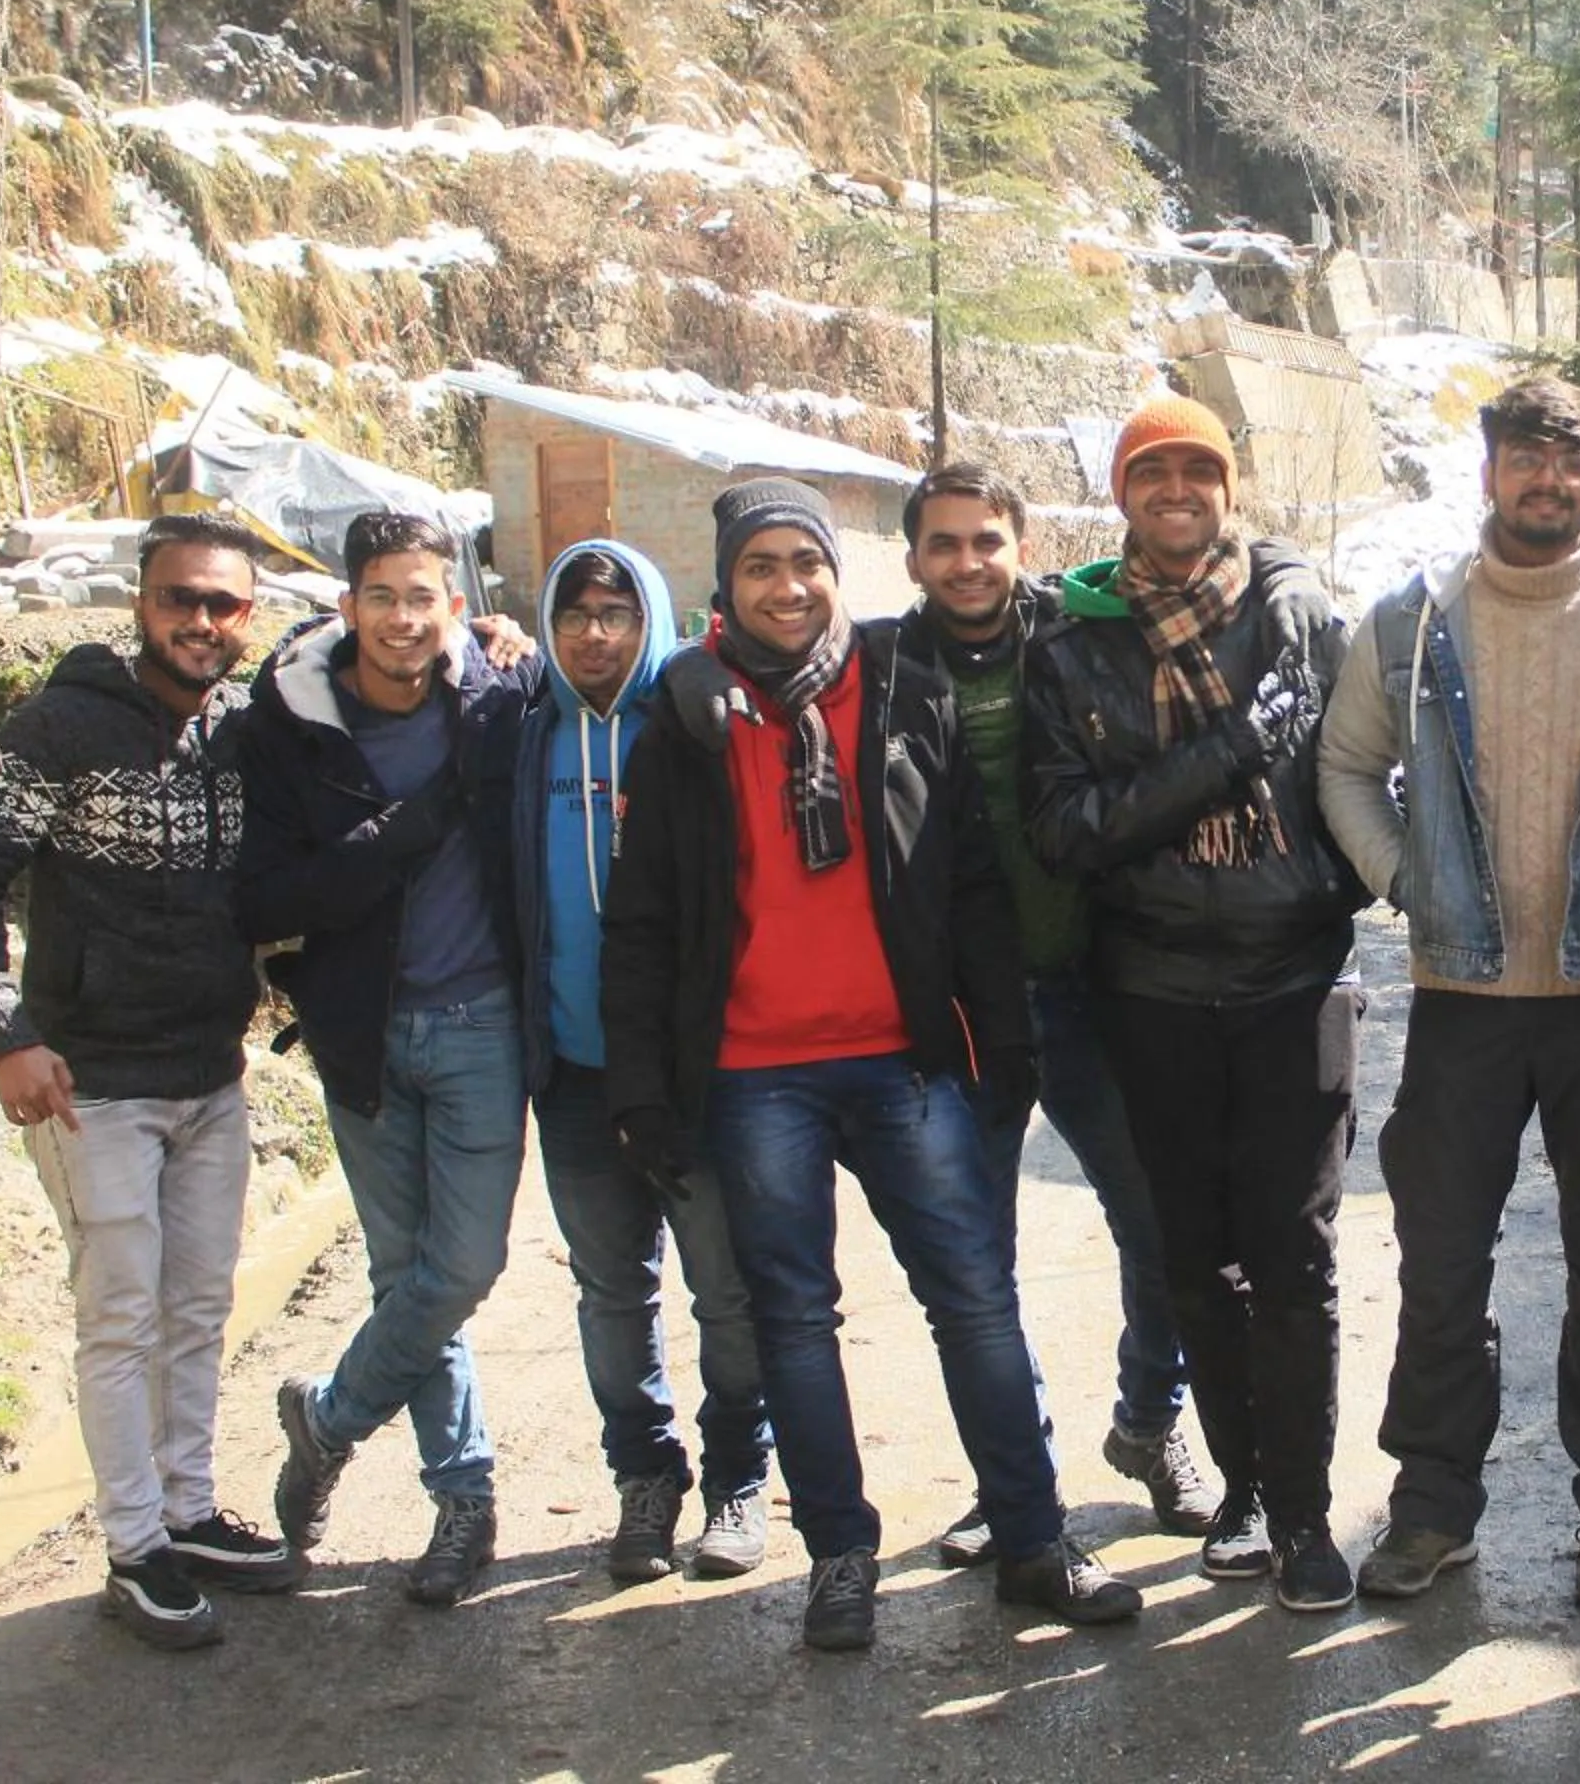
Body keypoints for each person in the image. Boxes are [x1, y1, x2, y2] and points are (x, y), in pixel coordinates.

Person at [602, 478, 1140, 1651]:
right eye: (761, 567)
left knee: (976, 1300)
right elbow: (640, 919)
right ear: (727, 585)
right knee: (794, 1316)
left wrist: (996, 1039)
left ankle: (1034, 1538)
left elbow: (974, 882)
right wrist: (642, 1088)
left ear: (840, 574)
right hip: (754, 1075)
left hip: (903, 1060)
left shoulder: (903, 686)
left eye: (807, 561)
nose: (788, 586)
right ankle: (840, 1555)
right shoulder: (687, 719)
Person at [1320, 373, 1580, 1611]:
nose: (1546, 480)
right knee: (1442, 1263)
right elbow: (1346, 765)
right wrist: (1409, 885)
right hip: (1464, 999)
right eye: (1524, 457)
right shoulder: (1412, 623)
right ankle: (1431, 1508)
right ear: (1487, 471)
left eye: (1570, 460)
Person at [0, 512, 304, 1650]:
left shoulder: (237, 730)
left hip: (210, 1074)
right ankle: (132, 1543)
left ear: (247, 617)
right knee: (120, 1312)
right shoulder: (59, 727)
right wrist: (7, 1033)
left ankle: (187, 1509)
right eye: (181, 598)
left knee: (198, 1304)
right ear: (141, 603)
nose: (201, 621)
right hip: (94, 1086)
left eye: (224, 604)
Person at [1024, 394, 1369, 1614]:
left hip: (1294, 975)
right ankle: (1247, 1489)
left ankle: (1310, 1517)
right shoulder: (1074, 647)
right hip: (1153, 985)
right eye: (1152, 470)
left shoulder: (1300, 614)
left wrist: (1353, 886)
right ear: (1122, 493)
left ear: (1230, 486)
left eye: (1200, 469)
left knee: (1296, 1256)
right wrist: (1219, 760)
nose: (1178, 489)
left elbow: (1361, 770)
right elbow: (1066, 828)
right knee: (1194, 1263)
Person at [894, 462, 1220, 1567]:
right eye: (944, 543)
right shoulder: (884, 667)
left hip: (1097, 980)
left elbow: (1200, 613)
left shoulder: (1079, 637)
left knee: (1165, 1225)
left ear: (1020, 545)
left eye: (987, 540)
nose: (968, 562)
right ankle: (1014, 1479)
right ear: (913, 561)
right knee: (975, 1264)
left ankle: (1148, 1422)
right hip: (963, 1008)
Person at [237, 509, 537, 1609]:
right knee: (404, 1272)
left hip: (481, 1024)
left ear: (454, 604)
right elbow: (266, 894)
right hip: (362, 1032)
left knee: (460, 1268)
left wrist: (522, 641)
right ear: (346, 605)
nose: (404, 618)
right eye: (382, 597)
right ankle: (465, 1500)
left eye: (424, 596)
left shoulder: (499, 698)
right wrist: (395, 839)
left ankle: (325, 1418)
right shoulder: (291, 724)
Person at [514, 539, 771, 1585]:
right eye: (573, 611)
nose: (594, 631)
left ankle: (740, 1477)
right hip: (574, 1071)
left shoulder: (694, 723)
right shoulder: (521, 737)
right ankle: (645, 1474)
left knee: (728, 1288)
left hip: (693, 1069)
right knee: (612, 1291)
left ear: (650, 619)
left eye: (617, 611)